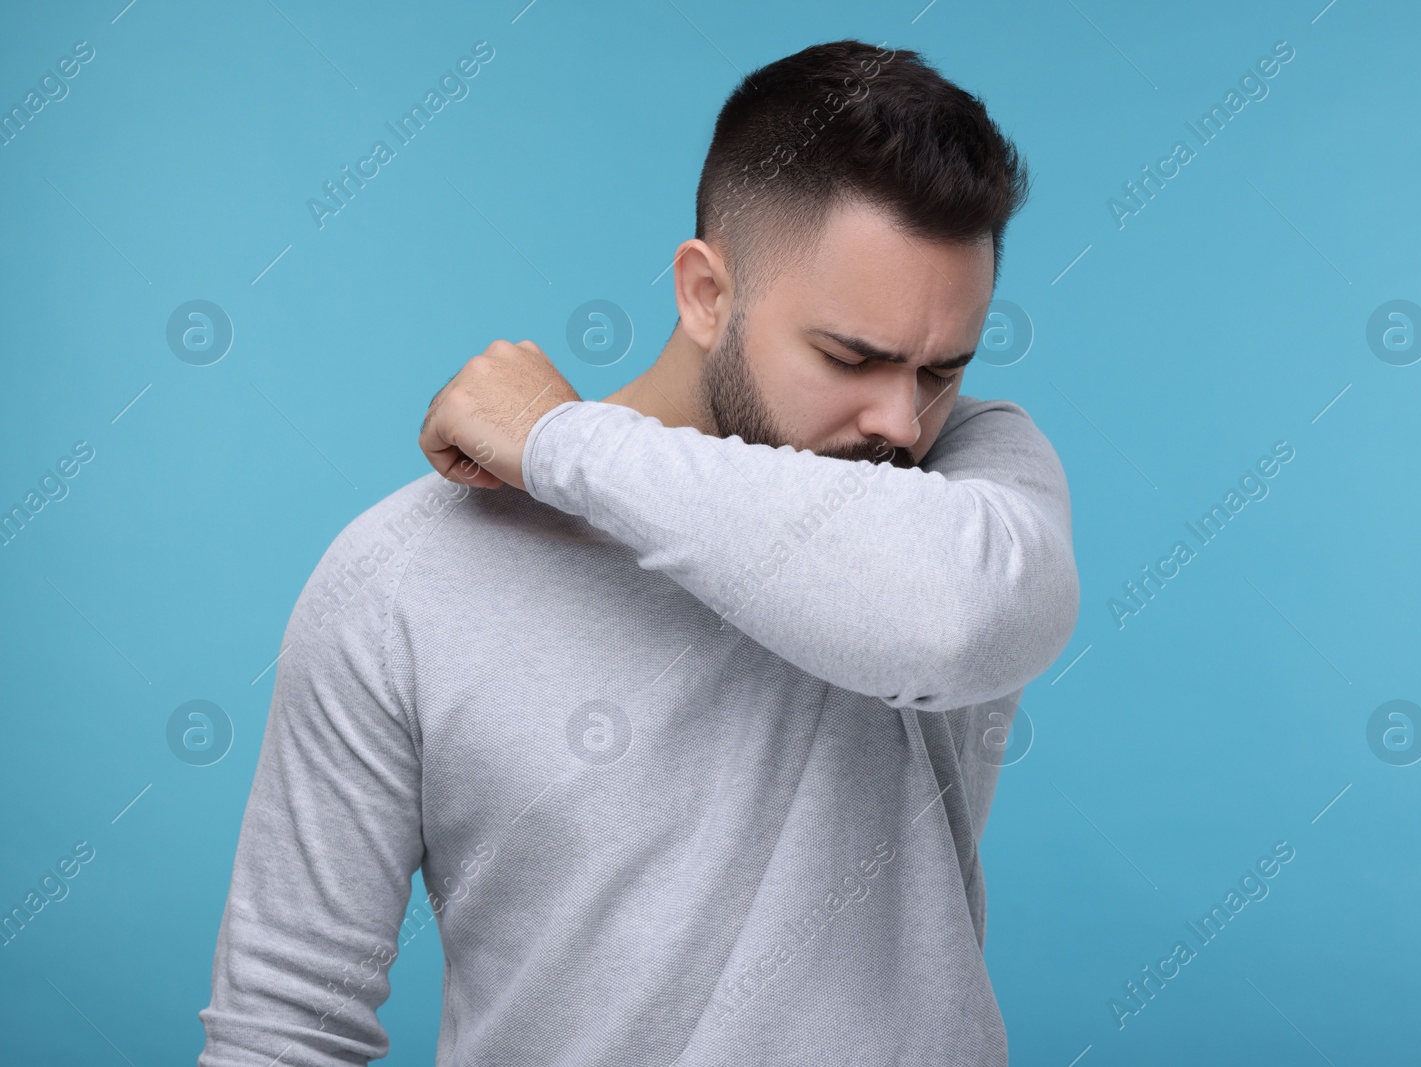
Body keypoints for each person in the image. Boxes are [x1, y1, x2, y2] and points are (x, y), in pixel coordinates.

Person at [198, 38, 1079, 1066]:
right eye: (851, 357)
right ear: (706, 294)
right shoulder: (402, 578)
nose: (899, 417)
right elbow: (284, 1024)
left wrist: (560, 442)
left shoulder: (970, 477)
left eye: (943, 367)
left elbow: (954, 612)